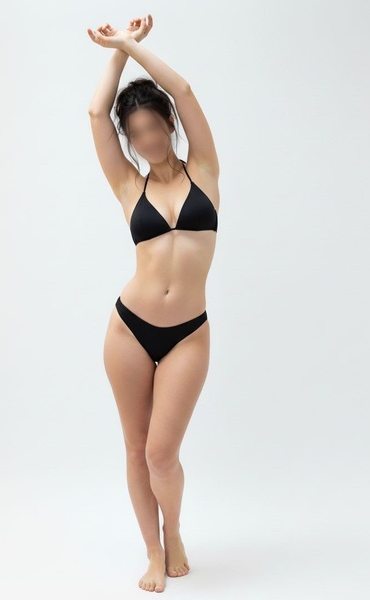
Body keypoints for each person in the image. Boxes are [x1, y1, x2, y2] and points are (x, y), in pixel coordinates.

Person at [87, 14, 220, 593]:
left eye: (154, 127)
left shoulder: (205, 171)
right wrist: (117, 52)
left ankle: (175, 532)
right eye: (136, 133)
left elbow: (184, 89)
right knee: (137, 448)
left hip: (188, 331)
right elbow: (97, 114)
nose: (147, 140)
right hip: (129, 329)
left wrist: (135, 47)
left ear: (169, 123)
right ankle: (151, 549)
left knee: (163, 454)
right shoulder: (128, 185)